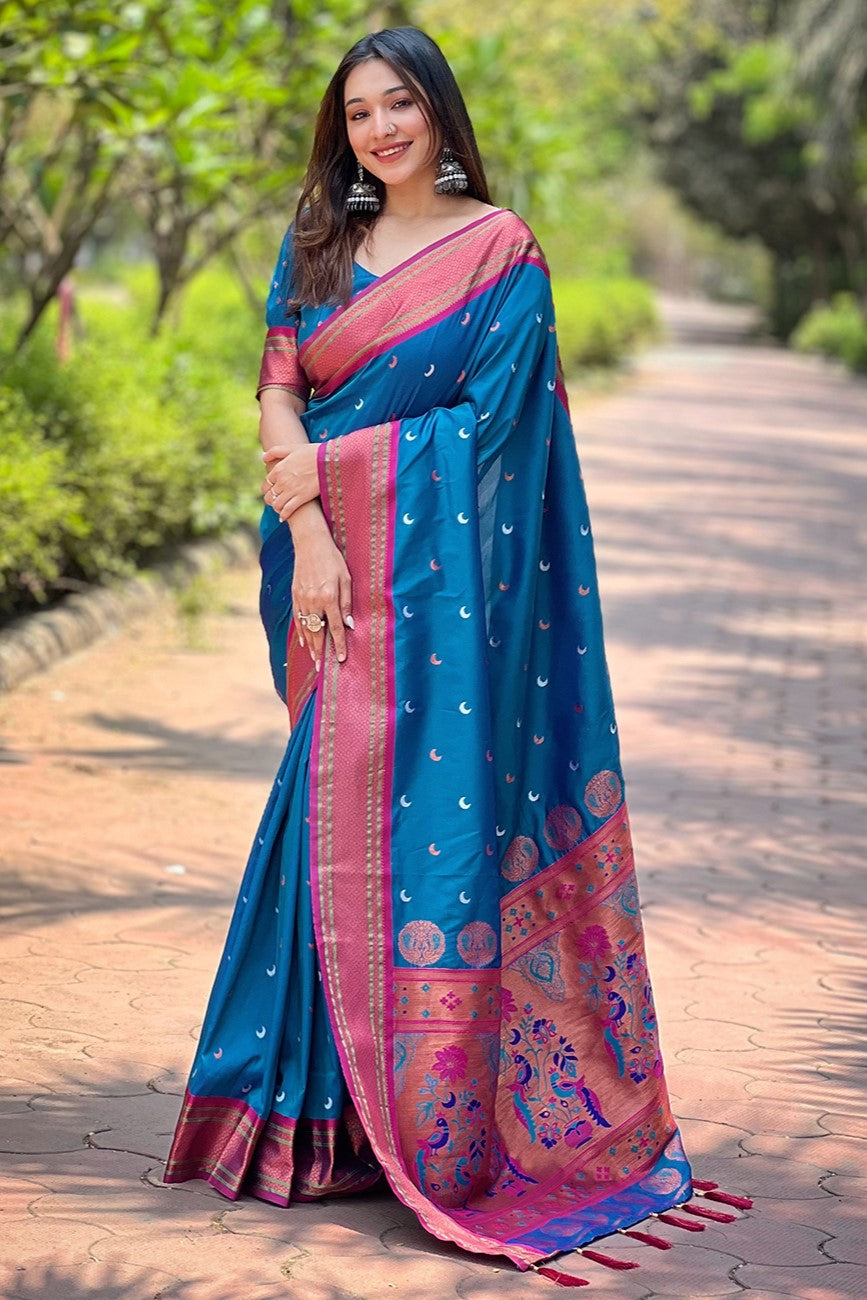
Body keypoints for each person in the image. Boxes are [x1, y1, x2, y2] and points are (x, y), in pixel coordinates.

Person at [163, 25, 695, 1280]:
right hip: (330, 570)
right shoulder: (319, 238)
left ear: (440, 112)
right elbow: (279, 389)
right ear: (341, 131)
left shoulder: (500, 253)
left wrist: (339, 482)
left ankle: (417, 1124)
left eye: (400, 103)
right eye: (359, 112)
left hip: (434, 590)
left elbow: (496, 432)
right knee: (321, 817)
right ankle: (299, 1115)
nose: (382, 128)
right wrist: (310, 531)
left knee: (418, 832)